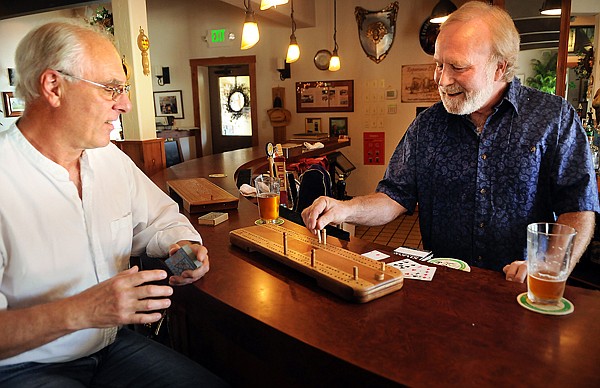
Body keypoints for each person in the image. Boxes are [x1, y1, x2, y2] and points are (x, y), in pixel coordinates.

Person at [302, 1, 599, 284]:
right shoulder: (428, 125)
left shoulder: (555, 119)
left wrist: (549, 265)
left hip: (519, 290)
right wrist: (343, 208)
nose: (442, 81)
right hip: (444, 289)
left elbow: (578, 207)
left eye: (457, 67)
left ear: (499, 67)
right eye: (439, 65)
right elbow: (394, 196)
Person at [0, 20, 227, 387]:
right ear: (53, 86)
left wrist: (183, 246)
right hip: (22, 367)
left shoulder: (109, 160)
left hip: (111, 345)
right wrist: (84, 310)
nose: (125, 103)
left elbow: (159, 219)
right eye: (111, 88)